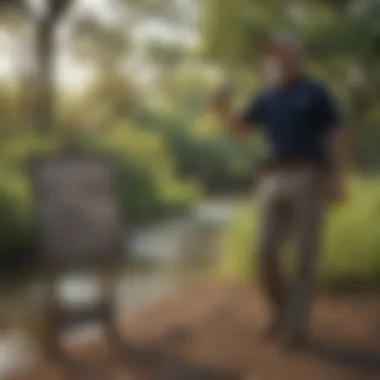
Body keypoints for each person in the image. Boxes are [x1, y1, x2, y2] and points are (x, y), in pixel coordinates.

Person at [211, 32, 349, 349]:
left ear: (296, 57)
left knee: (304, 256)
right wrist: (222, 109)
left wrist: (337, 177)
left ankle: (295, 327)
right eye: (273, 54)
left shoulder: (316, 92)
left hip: (308, 175)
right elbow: (239, 131)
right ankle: (280, 310)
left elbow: (337, 133)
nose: (278, 58)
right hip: (271, 178)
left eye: (283, 52)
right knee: (263, 251)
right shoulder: (265, 97)